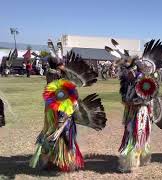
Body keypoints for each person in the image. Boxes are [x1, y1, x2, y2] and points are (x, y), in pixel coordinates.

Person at [105, 39, 162, 172]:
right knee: (135, 133)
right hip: (134, 111)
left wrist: (132, 102)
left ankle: (129, 163)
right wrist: (127, 98)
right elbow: (127, 93)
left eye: (136, 67)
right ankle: (139, 158)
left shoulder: (148, 81)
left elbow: (146, 98)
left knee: (135, 133)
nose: (131, 70)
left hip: (140, 112)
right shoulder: (134, 79)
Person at [30, 40, 107, 171]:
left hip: (52, 108)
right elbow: (71, 93)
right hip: (61, 108)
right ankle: (64, 161)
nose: (64, 65)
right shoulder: (59, 75)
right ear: (59, 65)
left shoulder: (51, 73)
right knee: (64, 134)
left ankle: (51, 161)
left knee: (53, 133)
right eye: (62, 63)